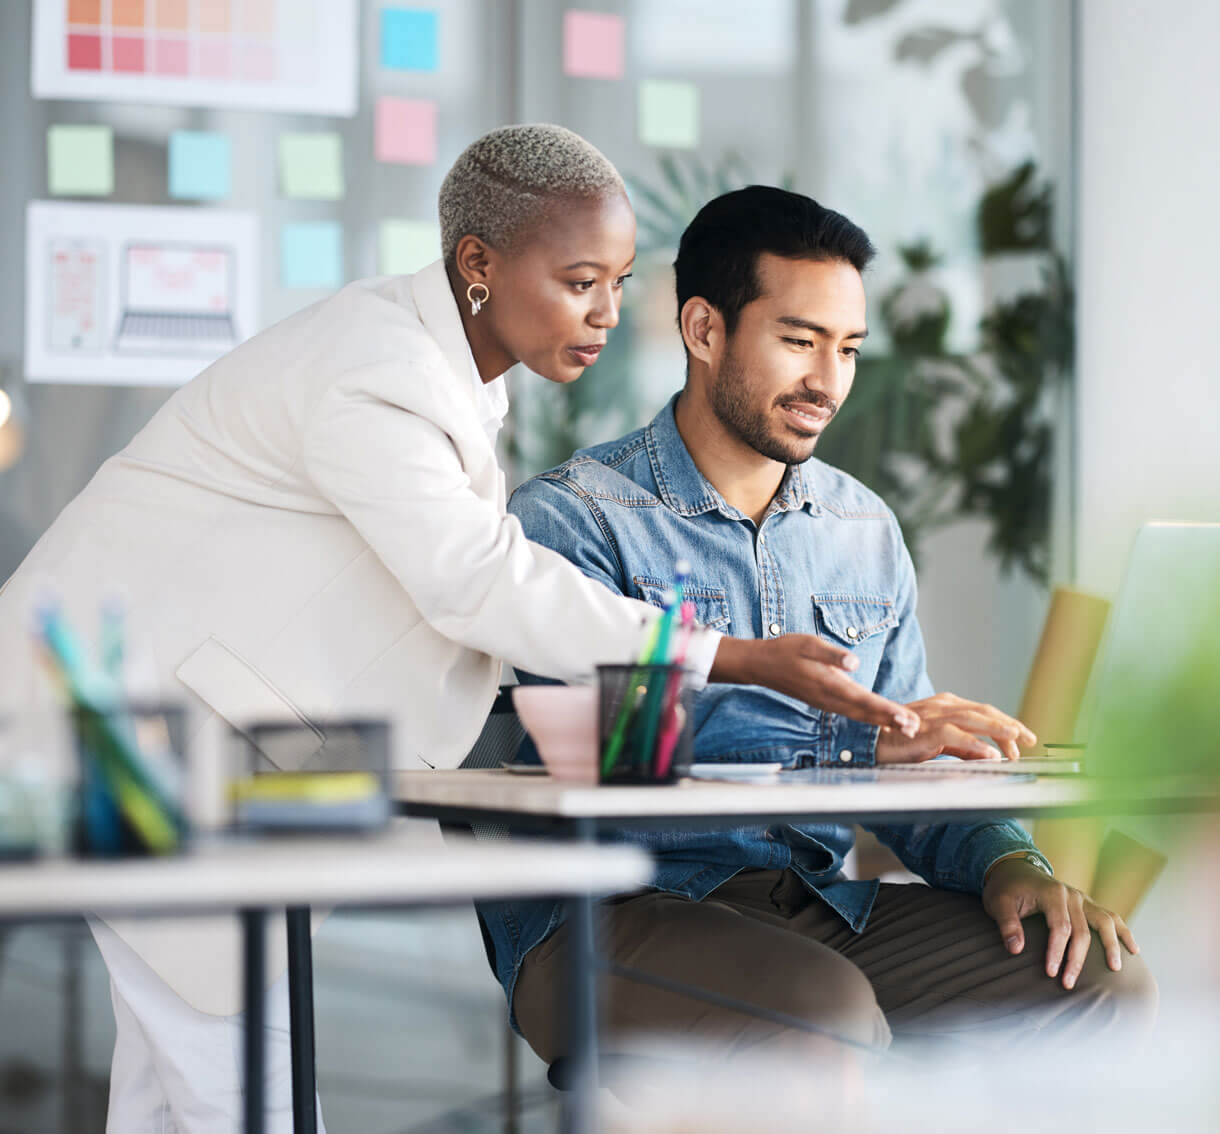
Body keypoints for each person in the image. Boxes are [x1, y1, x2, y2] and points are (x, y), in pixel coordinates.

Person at [0, 127, 922, 1130]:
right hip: (113, 742)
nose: (608, 314)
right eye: (580, 281)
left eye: (617, 282)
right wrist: (734, 656)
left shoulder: (443, 376)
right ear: (478, 265)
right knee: (245, 1093)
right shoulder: (378, 369)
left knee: (179, 1091)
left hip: (170, 746)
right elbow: (472, 579)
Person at [485, 186, 1156, 1083]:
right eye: (799, 341)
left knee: (1097, 981)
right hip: (610, 912)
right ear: (703, 330)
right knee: (823, 1016)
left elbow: (911, 756)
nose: (828, 382)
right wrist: (853, 742)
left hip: (816, 906)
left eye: (847, 349)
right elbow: (610, 761)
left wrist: (1008, 862)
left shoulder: (861, 528)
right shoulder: (575, 520)